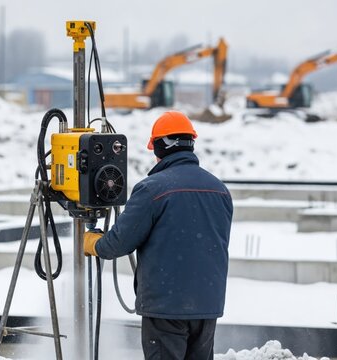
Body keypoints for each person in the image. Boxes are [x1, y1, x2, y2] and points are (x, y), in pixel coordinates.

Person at [84, 111, 233, 360]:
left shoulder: (152, 189)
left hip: (166, 306)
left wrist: (95, 244)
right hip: (207, 305)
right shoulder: (219, 189)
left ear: (160, 147)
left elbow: (118, 243)